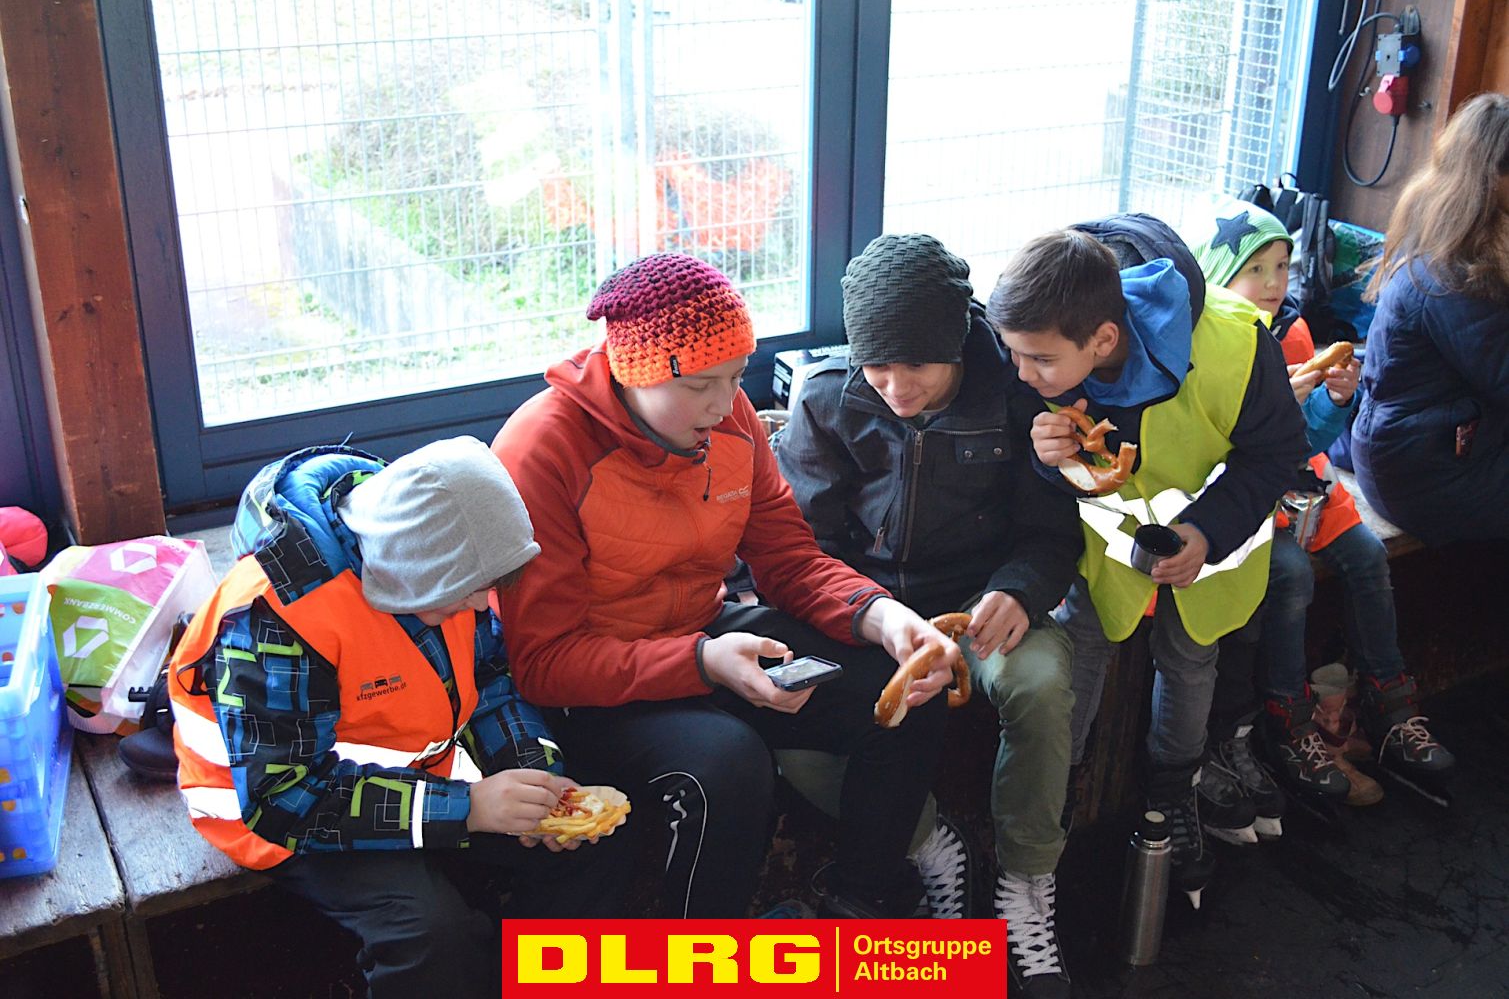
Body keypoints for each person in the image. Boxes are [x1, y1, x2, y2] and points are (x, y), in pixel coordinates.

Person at [491, 252, 960, 920]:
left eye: (737, 377)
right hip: (594, 689)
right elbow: (544, 663)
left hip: (703, 633)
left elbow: (789, 559)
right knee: (727, 761)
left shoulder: (729, 416)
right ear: (634, 372)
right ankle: (703, 960)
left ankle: (860, 902)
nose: (724, 405)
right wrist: (703, 662)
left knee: (906, 688)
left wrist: (881, 615)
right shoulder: (543, 449)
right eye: (700, 385)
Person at [168, 438, 630, 999]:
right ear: (413, 571)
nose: (481, 606)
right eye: (472, 590)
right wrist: (467, 809)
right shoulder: (278, 615)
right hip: (284, 817)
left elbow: (490, 681)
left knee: (590, 852)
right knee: (430, 932)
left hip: (418, 779)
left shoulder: (436, 569)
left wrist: (536, 775)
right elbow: (282, 798)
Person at [776, 234, 1080, 995]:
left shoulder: (1014, 396)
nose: (894, 386)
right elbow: (804, 548)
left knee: (1041, 686)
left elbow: (1050, 534)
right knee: (790, 724)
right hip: (866, 609)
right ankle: (930, 842)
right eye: (875, 364)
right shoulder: (825, 399)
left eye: (915, 365)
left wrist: (1019, 588)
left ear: (955, 344)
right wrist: (869, 614)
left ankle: (1025, 882)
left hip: (982, 602)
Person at [989, 219, 1309, 908]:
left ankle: (1172, 798)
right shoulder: (1036, 346)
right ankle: (1054, 810)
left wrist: (1206, 533)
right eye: (1014, 354)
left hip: (1208, 552)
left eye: (1038, 361)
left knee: (1189, 662)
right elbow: (1046, 482)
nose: (1020, 374)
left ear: (1103, 341)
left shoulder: (1236, 347)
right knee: (1078, 654)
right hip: (1102, 557)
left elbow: (1278, 452)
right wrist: (1045, 458)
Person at [1192, 201, 1454, 817]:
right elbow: (1214, 449)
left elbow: (1309, 440)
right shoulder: (1209, 345)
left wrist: (1336, 401)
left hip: (1306, 487)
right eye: (1256, 269)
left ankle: (1390, 701)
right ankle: (1289, 719)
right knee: (1291, 575)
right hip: (1246, 497)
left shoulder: (1294, 333)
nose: (1274, 283)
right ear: (1220, 277)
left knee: (1366, 555)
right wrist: (1277, 407)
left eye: (1283, 266)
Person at [1353, 90, 1509, 545]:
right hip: (1427, 472)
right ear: (1493, 177)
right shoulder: (1453, 273)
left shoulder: (1453, 237)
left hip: (1446, 446)